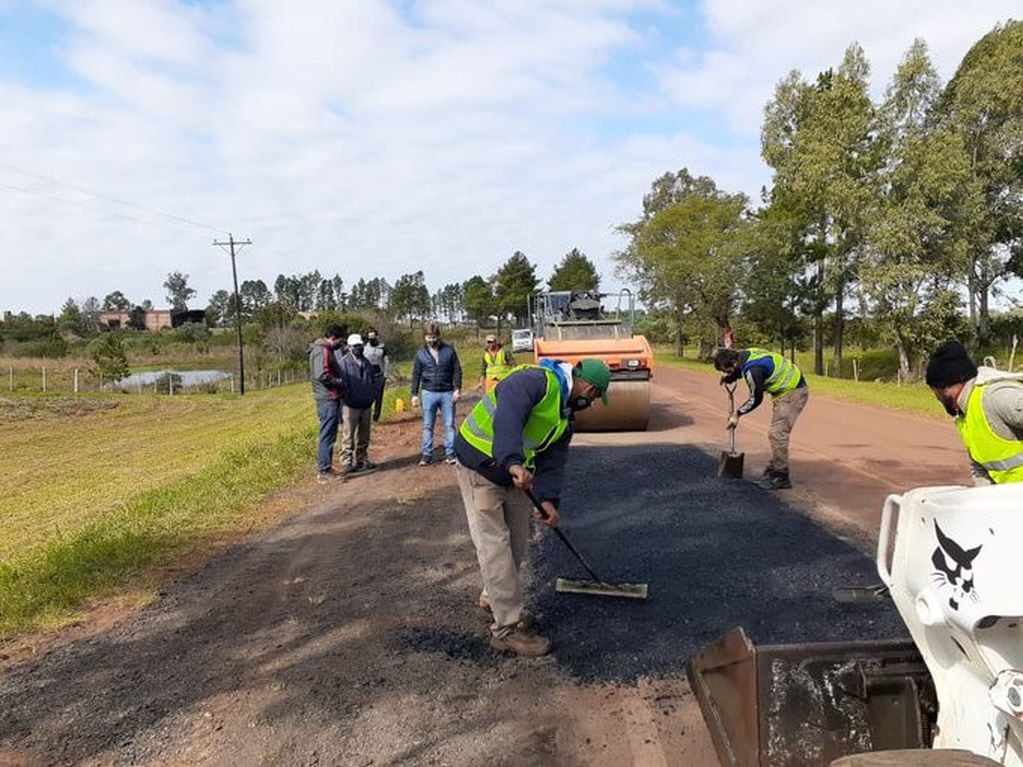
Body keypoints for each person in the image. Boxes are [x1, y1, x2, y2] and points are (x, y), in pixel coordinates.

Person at [455, 357, 611, 656]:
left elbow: (553, 461)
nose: (590, 403)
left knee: (515, 541)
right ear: (588, 388)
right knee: (494, 546)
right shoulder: (535, 381)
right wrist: (513, 460)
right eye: (593, 396)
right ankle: (506, 629)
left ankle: (494, 598)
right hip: (479, 464)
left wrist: (549, 501)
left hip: (514, 475)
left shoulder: (564, 417)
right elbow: (508, 417)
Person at [926, 340, 1023, 485]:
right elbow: (979, 465)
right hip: (1009, 500)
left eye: (934, 391)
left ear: (945, 388)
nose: (936, 398)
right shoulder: (965, 413)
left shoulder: (994, 398)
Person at [713, 347, 808, 490]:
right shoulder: (746, 354)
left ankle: (781, 476)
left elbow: (756, 398)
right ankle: (774, 467)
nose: (726, 373)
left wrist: (737, 414)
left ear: (733, 363)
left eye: (726, 371)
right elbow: (746, 369)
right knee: (776, 433)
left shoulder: (753, 370)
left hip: (792, 392)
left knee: (777, 433)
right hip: (786, 389)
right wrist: (732, 377)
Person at [410, 323, 463, 465]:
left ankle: (450, 453)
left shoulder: (449, 350)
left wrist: (457, 388)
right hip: (428, 393)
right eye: (428, 337)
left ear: (438, 336)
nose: (431, 340)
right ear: (424, 338)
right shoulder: (420, 353)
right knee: (428, 425)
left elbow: (457, 370)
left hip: (447, 392)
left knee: (449, 424)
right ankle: (426, 455)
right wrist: (414, 394)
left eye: (433, 337)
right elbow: (416, 374)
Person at [309, 322, 347, 483]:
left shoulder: (324, 349)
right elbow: (322, 375)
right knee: (327, 434)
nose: (341, 344)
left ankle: (327, 467)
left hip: (329, 397)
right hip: (327, 398)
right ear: (332, 338)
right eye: (340, 341)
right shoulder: (322, 351)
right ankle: (323, 471)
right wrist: (339, 381)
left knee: (330, 434)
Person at [336, 333, 379, 475]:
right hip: (350, 405)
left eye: (360, 345)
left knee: (364, 435)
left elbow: (373, 380)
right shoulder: (343, 364)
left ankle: (362, 459)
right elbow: (341, 385)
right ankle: (346, 462)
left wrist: (372, 395)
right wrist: (346, 398)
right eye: (355, 346)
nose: (358, 348)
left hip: (366, 404)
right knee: (348, 435)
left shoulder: (366, 362)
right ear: (349, 347)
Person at [364, 327, 389, 422]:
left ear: (377, 337)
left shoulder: (382, 348)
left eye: (373, 337)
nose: (372, 339)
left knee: (378, 398)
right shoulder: (364, 348)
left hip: (379, 376)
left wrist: (385, 375)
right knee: (368, 397)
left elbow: (386, 362)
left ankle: (376, 417)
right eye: (370, 338)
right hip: (368, 376)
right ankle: (367, 417)